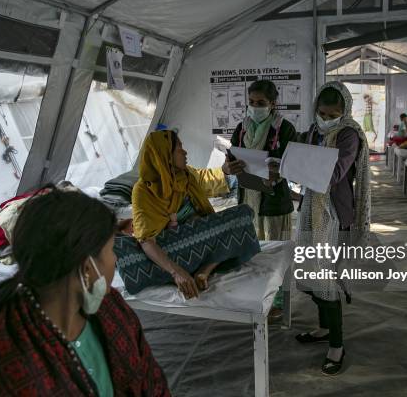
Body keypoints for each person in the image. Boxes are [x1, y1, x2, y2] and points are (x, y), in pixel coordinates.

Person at [0, 189, 171, 396]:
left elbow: (152, 381)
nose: (114, 260)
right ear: (87, 268)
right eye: (111, 250)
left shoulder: (111, 307)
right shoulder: (1, 363)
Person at [114, 130, 260, 299]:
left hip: (198, 238)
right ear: (166, 155)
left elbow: (206, 178)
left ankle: (205, 270)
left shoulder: (185, 175)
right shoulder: (143, 190)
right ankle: (200, 266)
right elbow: (146, 240)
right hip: (171, 247)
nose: (185, 152)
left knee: (244, 213)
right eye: (179, 148)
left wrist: (225, 170)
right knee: (241, 215)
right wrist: (176, 272)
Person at [295, 81, 371, 376]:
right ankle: (324, 329)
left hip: (334, 214)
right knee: (312, 273)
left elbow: (334, 173)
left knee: (327, 279)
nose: (326, 118)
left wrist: (298, 167)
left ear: (345, 111)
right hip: (310, 211)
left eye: (332, 113)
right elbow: (297, 158)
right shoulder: (314, 132)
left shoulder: (348, 134)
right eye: (322, 113)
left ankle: (337, 345)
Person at [225, 79, 297, 318]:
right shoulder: (242, 128)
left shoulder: (284, 129)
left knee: (277, 253)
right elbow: (230, 159)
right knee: (255, 252)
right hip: (249, 197)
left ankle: (278, 302)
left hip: (274, 200)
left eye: (261, 103)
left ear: (273, 103)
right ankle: (259, 295)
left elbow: (294, 166)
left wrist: (277, 171)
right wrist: (230, 167)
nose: (255, 107)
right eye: (252, 102)